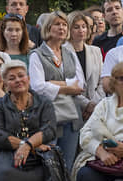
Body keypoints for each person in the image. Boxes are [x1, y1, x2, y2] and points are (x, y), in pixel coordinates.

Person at [29, 11, 85, 170]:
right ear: (48, 28)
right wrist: (68, 87)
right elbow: (37, 87)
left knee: (67, 166)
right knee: (49, 166)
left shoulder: (70, 54)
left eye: (64, 25)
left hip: (72, 117)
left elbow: (80, 85)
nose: (61, 28)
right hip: (48, 118)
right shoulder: (37, 55)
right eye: (57, 24)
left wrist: (52, 83)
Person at [66, 11, 105, 121]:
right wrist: (86, 105)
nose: (81, 30)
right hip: (73, 109)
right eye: (76, 27)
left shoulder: (96, 51)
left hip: (97, 108)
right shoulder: (62, 52)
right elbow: (65, 83)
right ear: (69, 29)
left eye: (84, 27)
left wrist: (94, 104)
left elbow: (102, 79)